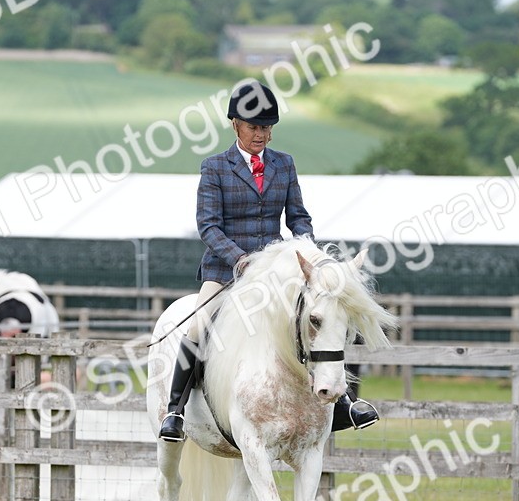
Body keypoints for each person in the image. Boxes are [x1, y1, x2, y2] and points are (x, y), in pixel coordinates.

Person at [158, 81, 379, 442]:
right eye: (253, 127)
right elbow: (208, 227)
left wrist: (308, 250)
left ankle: (345, 403)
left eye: (266, 127)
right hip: (226, 270)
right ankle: (175, 411)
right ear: (235, 125)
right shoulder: (215, 168)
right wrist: (240, 259)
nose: (260, 134)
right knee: (198, 326)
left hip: (277, 270)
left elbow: (298, 217)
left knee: (326, 315)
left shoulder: (284, 165)